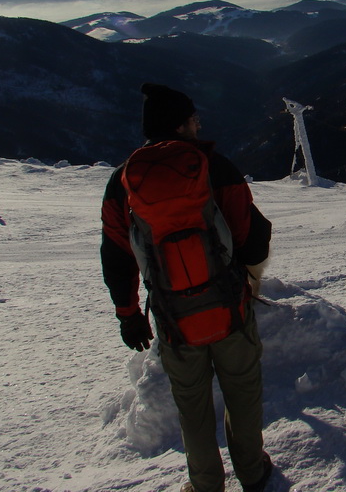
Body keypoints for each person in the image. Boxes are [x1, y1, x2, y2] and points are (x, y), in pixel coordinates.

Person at [100, 83, 273, 492]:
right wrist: (246, 276)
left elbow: (116, 254)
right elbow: (253, 237)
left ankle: (205, 484)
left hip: (174, 317)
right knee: (242, 392)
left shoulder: (123, 182)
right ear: (180, 125)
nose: (199, 123)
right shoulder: (217, 167)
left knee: (191, 404)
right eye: (194, 118)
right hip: (229, 308)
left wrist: (128, 315)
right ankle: (251, 469)